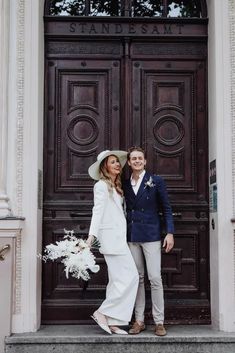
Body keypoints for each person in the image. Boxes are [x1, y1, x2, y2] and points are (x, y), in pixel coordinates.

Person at [123, 147, 174, 336]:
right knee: (138, 278)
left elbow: (166, 208)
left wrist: (169, 232)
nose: (136, 161)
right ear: (128, 163)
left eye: (139, 158)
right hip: (133, 236)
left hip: (152, 235)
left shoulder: (156, 181)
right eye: (133, 159)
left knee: (155, 278)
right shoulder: (125, 183)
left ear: (145, 162)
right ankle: (139, 321)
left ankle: (159, 322)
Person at [86, 150, 139, 335]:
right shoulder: (101, 186)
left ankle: (113, 321)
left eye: (118, 162)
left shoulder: (116, 186)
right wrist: (91, 237)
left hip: (119, 239)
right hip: (111, 240)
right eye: (113, 162)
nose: (118, 164)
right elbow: (97, 211)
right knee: (131, 277)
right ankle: (102, 312)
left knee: (117, 281)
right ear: (105, 167)